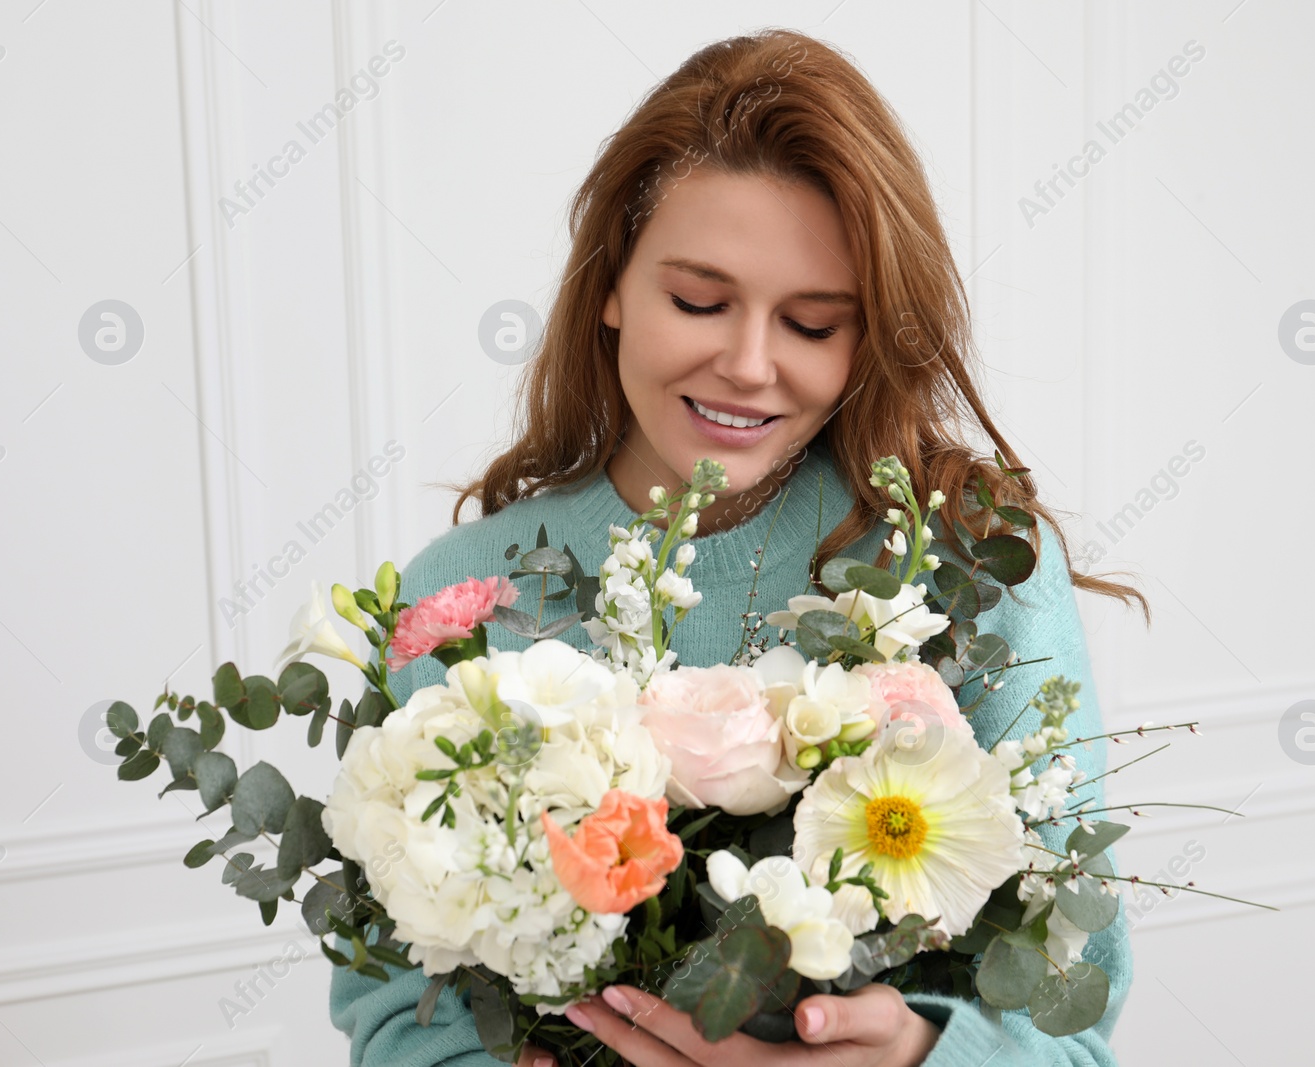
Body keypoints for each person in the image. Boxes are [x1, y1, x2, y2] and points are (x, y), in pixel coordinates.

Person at [331, 27, 1151, 1067]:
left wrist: (912, 1054)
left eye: (812, 323)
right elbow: (395, 1010)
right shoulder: (457, 599)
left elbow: (1074, 1009)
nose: (749, 364)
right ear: (613, 285)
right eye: (699, 301)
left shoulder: (969, 561)